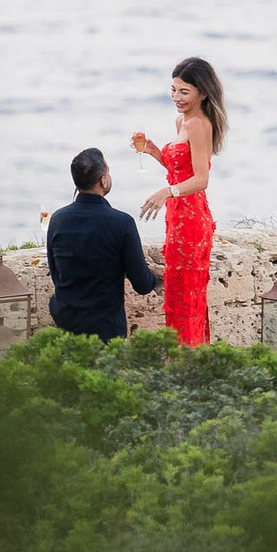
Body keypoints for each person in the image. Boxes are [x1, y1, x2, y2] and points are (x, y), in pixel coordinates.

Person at [131, 56, 225, 347]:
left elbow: (201, 179)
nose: (176, 97)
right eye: (173, 90)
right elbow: (178, 171)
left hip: (192, 220)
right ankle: (183, 357)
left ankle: (188, 360)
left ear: (203, 93)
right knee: (178, 294)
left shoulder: (198, 124)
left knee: (186, 297)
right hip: (177, 217)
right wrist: (153, 150)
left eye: (184, 92)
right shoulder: (180, 121)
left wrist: (165, 192)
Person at [44, 147, 159, 339]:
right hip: (105, 326)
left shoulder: (58, 219)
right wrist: (156, 279)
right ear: (103, 181)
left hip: (67, 320)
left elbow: (56, 274)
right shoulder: (122, 223)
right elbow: (142, 284)